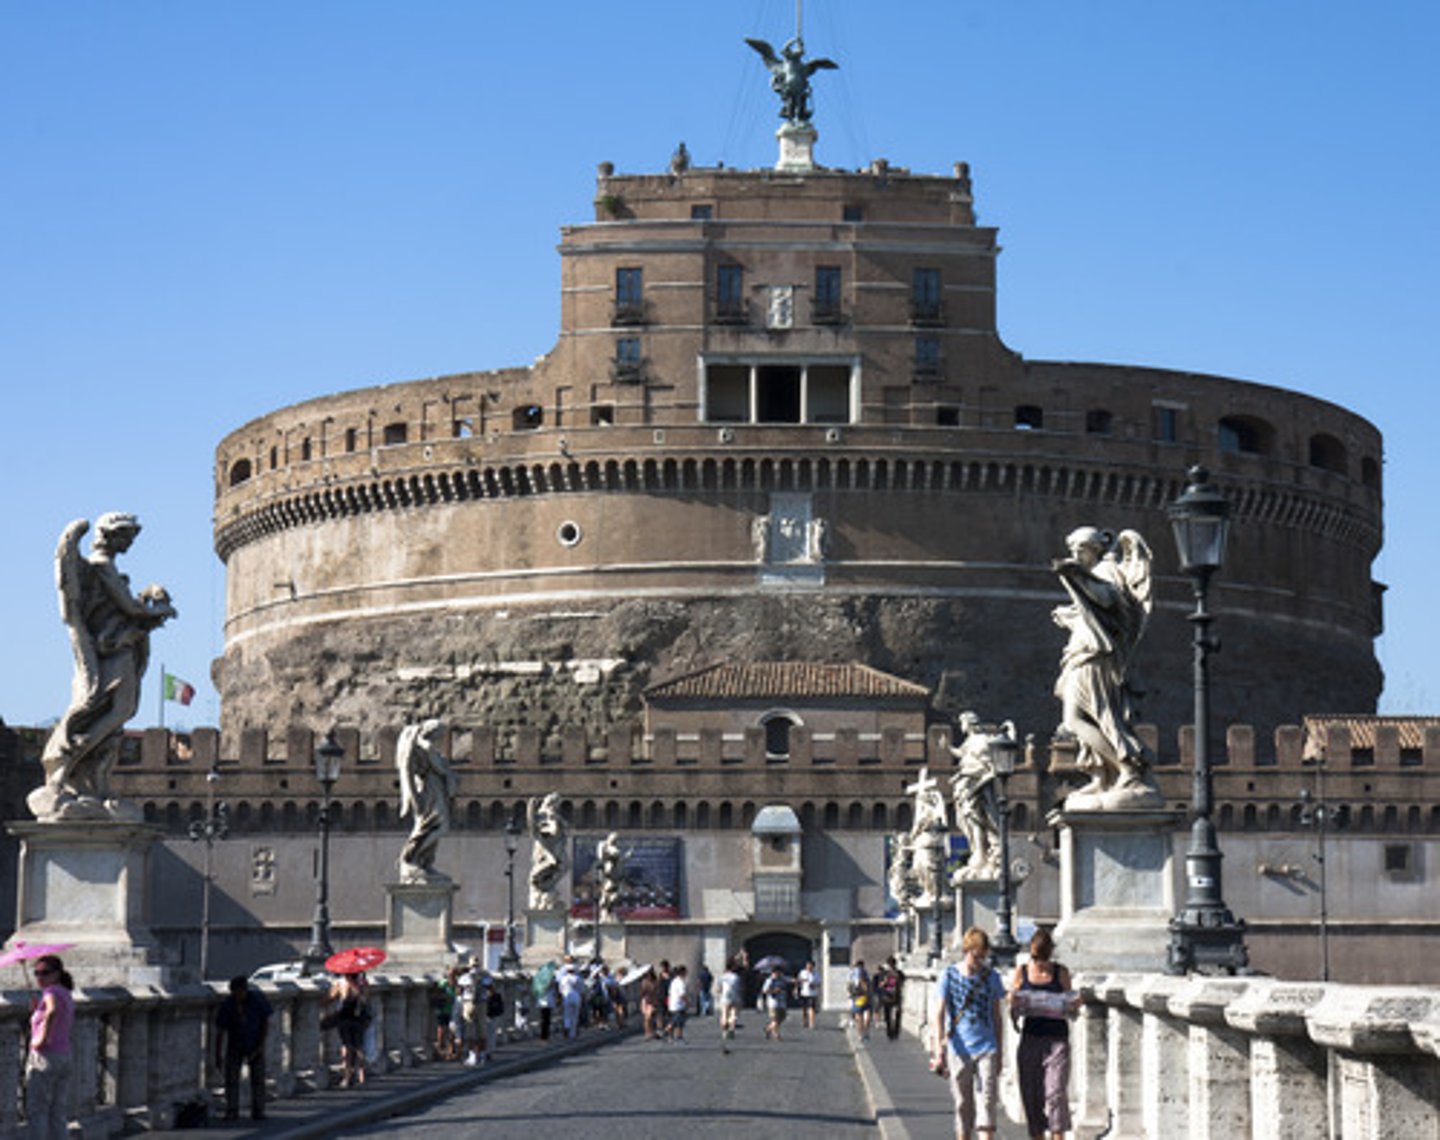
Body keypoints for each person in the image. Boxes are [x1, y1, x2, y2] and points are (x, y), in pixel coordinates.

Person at [931, 927, 1007, 1140]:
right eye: (977, 955)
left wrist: (1000, 1052)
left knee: (988, 1102)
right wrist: (939, 1049)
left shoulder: (991, 977)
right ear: (967, 950)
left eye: (983, 956)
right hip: (959, 1048)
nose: (980, 961)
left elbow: (997, 1016)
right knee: (963, 1104)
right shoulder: (949, 975)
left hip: (987, 1048)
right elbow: (939, 1013)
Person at [1010, 929, 1077, 1140]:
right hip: (1030, 1036)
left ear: (1050, 954)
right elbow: (1013, 1003)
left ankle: (1058, 1135)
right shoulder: (1021, 971)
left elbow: (1070, 1005)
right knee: (1031, 1093)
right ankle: (1037, 1135)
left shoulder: (1061, 972)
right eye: (1035, 958)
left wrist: (1073, 1004)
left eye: (1043, 958)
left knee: (1055, 1092)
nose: (1039, 963)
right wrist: (1014, 1005)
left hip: (1057, 1038)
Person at [26, 953, 76, 1140]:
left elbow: (52, 1010)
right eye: (36, 973)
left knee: (37, 1110)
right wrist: (37, 1009)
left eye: (45, 973)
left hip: (45, 1056)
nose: (40, 977)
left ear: (56, 974)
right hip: (63, 1055)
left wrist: (42, 1038)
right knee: (57, 1111)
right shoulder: (65, 993)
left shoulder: (51, 993)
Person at [215, 975, 272, 1121]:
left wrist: (261, 1046)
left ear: (245, 990)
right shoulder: (228, 1004)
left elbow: (265, 1023)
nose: (238, 996)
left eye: (240, 992)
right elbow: (220, 1030)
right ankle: (232, 1110)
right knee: (231, 1079)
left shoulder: (257, 1000)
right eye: (235, 993)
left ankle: (258, 1110)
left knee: (258, 1079)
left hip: (254, 1042)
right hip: (235, 1043)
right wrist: (218, 1054)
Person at [328, 971, 372, 1086]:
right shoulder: (363, 984)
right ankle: (361, 1074)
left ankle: (347, 1076)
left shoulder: (340, 983)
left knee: (346, 1045)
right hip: (359, 1017)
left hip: (344, 1017)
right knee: (359, 1045)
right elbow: (366, 1000)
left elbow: (330, 998)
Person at [876, 955, 906, 1040]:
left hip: (887, 996)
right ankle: (895, 1032)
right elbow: (903, 983)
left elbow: (880, 985)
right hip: (896, 996)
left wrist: (885, 983)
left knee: (889, 1016)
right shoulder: (899, 973)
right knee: (896, 1015)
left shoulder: (885, 973)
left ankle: (890, 1033)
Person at [718, 958, 743, 1050]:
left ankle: (724, 1030)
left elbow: (718, 988)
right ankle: (731, 1029)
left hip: (725, 998)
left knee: (724, 1014)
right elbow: (739, 988)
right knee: (734, 1014)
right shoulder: (736, 977)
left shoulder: (722, 977)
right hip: (735, 997)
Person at [761, 965, 790, 1041]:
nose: (779, 974)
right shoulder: (770, 980)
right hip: (773, 1002)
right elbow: (764, 990)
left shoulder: (782, 979)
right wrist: (774, 991)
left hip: (782, 1001)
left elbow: (790, 980)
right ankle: (776, 1034)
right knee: (775, 1019)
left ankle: (768, 1028)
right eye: (777, 972)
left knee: (782, 1018)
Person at [847, 959, 872, 1041]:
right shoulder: (865, 972)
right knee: (867, 1012)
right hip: (866, 995)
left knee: (858, 1015)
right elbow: (868, 983)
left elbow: (849, 984)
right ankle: (866, 1031)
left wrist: (850, 993)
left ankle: (859, 1034)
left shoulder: (852, 973)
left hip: (857, 996)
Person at [666, 964, 689, 1042]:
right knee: (675, 1021)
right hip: (678, 1005)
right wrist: (687, 1002)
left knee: (677, 1020)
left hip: (672, 1004)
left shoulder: (674, 981)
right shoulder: (680, 982)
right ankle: (667, 1031)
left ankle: (677, 1036)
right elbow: (682, 995)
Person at [796, 960, 819, 1029]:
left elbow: (819, 983)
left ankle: (811, 1023)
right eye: (807, 965)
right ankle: (805, 1020)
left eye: (810, 966)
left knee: (811, 1008)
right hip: (804, 993)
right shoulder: (802, 972)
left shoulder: (816, 974)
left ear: (813, 967)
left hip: (812, 994)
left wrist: (814, 985)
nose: (809, 967)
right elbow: (798, 981)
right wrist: (801, 982)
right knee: (804, 1009)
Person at [639, 966, 660, 1039]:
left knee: (651, 1017)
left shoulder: (655, 981)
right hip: (646, 1000)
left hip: (652, 1000)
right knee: (647, 1018)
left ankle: (651, 1032)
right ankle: (648, 1032)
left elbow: (657, 991)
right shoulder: (644, 981)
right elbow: (642, 992)